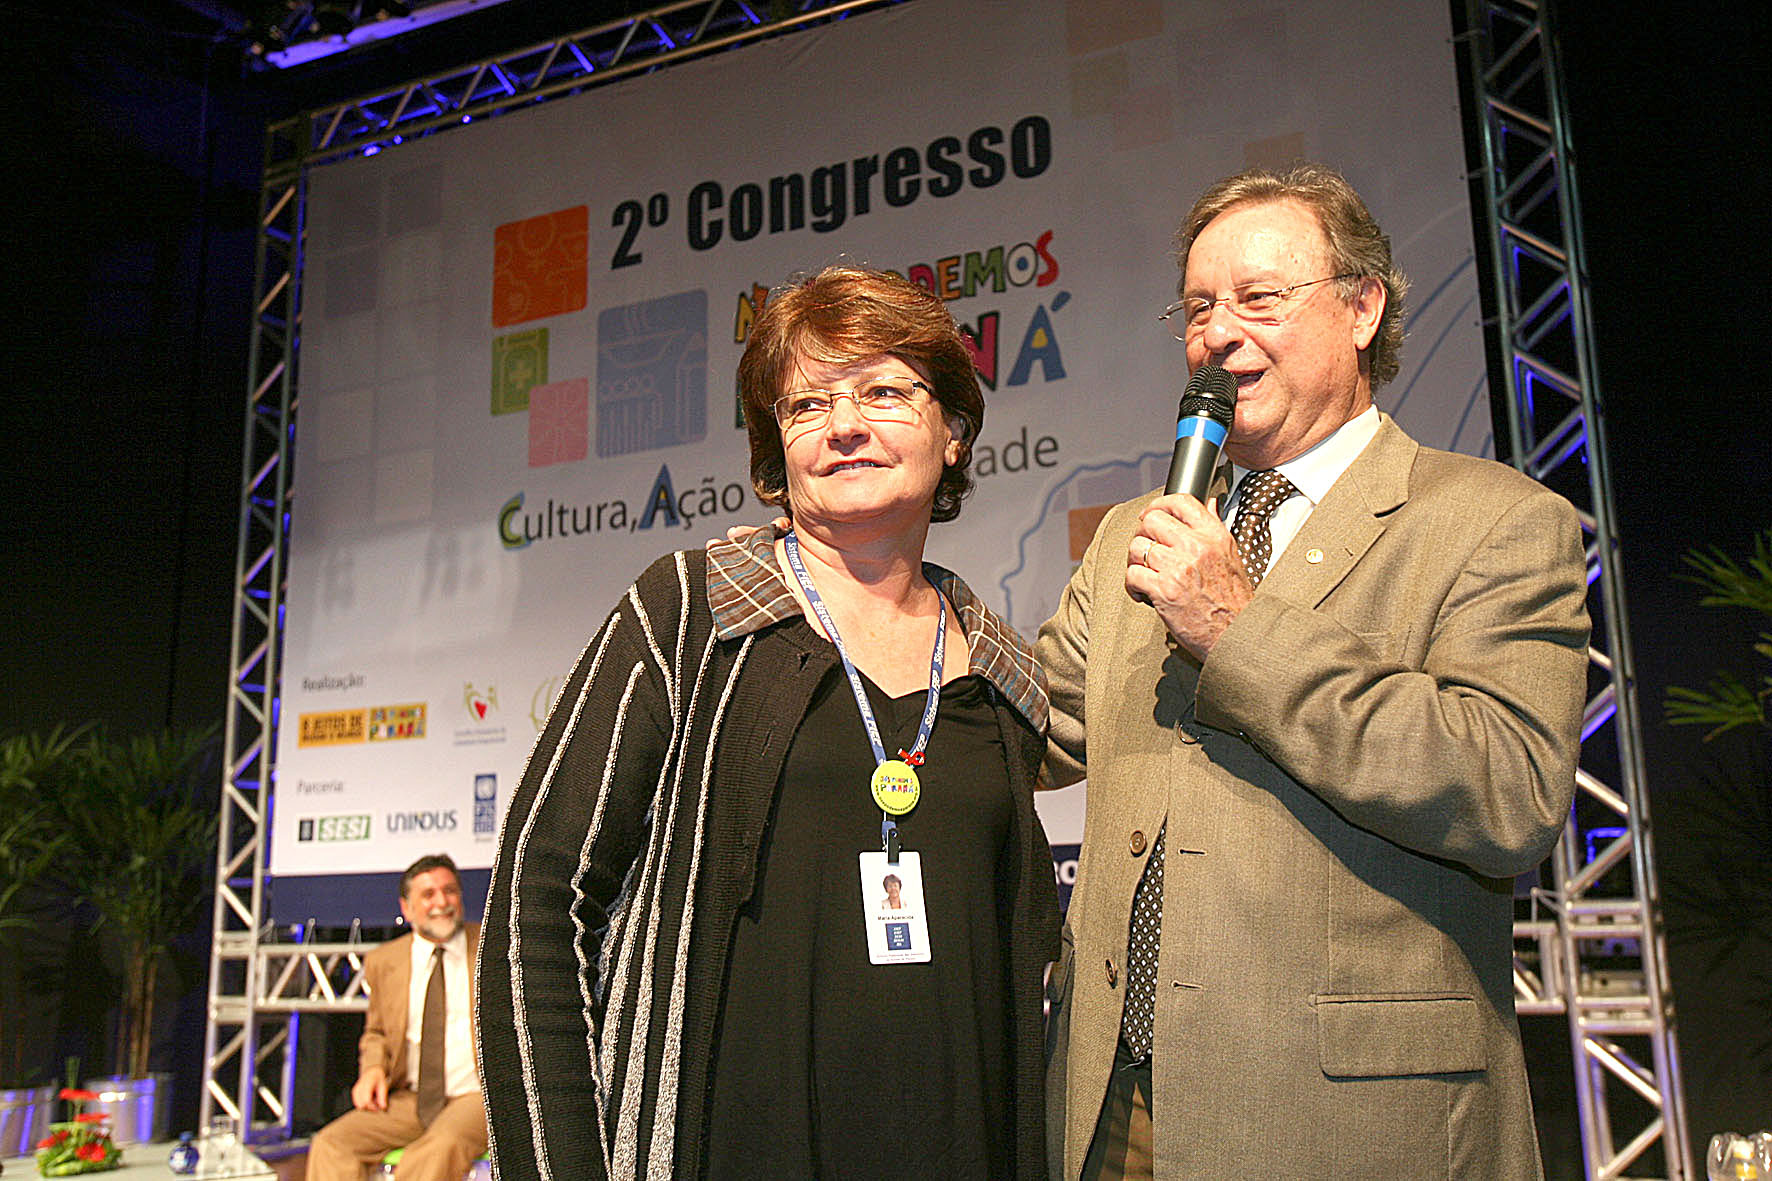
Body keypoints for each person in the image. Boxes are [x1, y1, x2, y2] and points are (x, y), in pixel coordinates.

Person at [1039, 164, 1590, 1180]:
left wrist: (1239, 629)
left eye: (1258, 297)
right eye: (1197, 308)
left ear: (1361, 307)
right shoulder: (1138, 532)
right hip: (1117, 1109)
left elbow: (1507, 790)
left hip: (1354, 1120)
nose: (1217, 333)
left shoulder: (1494, 521)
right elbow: (1025, 726)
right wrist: (870, 594)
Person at [476, 266, 1060, 1180]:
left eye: (884, 392)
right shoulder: (690, 615)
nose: (844, 425)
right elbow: (539, 901)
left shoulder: (1004, 678)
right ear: (774, 452)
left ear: (953, 431)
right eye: (807, 405)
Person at [307, 854, 487, 1181]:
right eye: (428, 894)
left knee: (435, 1150)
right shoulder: (385, 961)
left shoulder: (492, 947)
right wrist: (372, 1069)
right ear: (407, 907)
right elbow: (376, 1032)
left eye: (449, 891)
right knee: (332, 1144)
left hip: (476, 1095)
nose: (442, 902)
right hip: (412, 1098)